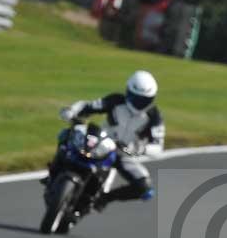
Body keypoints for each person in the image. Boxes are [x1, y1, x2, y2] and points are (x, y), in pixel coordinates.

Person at [58, 70, 164, 204]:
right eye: (136, 98)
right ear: (129, 92)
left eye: (145, 99)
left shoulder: (154, 116)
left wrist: (142, 150)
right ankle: (54, 171)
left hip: (123, 153)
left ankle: (104, 199)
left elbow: (158, 146)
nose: (140, 103)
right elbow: (88, 106)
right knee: (67, 135)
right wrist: (72, 111)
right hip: (99, 142)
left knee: (145, 188)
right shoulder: (116, 101)